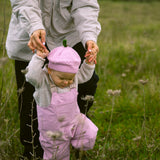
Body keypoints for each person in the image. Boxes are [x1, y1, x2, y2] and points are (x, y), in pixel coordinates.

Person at [6, 0, 101, 159]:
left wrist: (89, 37)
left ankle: (70, 131)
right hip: (31, 36)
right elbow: (24, 2)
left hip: (69, 36)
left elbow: (85, 5)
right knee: (29, 98)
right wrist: (34, 26)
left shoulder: (74, 75)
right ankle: (33, 151)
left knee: (86, 86)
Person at [25, 44, 98, 160]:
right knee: (57, 155)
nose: (66, 82)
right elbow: (30, 75)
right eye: (62, 78)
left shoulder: (73, 78)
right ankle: (64, 147)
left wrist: (89, 63)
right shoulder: (42, 80)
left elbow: (84, 75)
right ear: (50, 70)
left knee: (89, 132)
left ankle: (76, 147)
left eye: (70, 79)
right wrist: (38, 57)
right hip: (54, 130)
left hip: (74, 120)